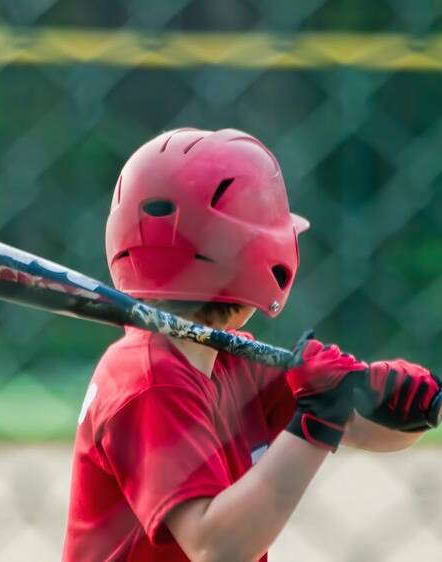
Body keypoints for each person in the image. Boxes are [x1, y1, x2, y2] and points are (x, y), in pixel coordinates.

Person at [63, 127, 440, 561]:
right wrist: (319, 418)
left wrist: (400, 402)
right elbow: (215, 547)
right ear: (259, 253)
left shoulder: (230, 360)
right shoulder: (150, 380)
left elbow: (360, 428)